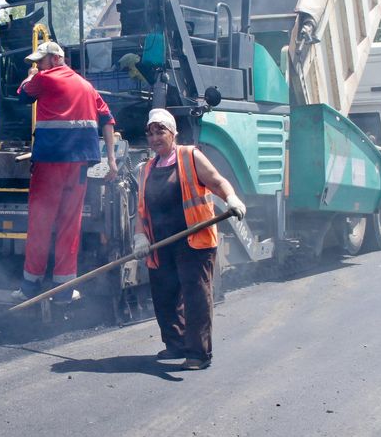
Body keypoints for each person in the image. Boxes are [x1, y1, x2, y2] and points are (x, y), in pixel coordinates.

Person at [133, 108, 246, 370]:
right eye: (150, 133)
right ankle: (176, 344)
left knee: (195, 296)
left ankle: (198, 353)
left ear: (173, 133)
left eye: (160, 130)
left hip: (194, 240)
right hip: (161, 243)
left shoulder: (190, 156)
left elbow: (218, 181)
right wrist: (140, 237)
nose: (154, 137)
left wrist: (231, 199)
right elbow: (142, 210)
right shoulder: (146, 169)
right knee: (164, 295)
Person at [16, 40, 118, 302]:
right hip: (80, 164)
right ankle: (63, 290)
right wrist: (112, 160)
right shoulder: (87, 86)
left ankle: (30, 285)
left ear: (56, 59)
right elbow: (107, 120)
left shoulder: (45, 78)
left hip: (51, 161)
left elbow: (23, 97)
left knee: (40, 222)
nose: (37, 65)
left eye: (40, 60)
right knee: (69, 224)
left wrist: (30, 77)